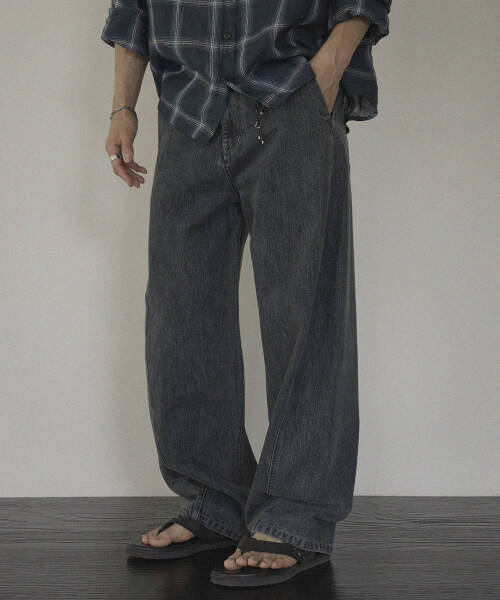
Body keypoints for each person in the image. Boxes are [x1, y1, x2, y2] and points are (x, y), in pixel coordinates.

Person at [101, 0, 391, 588]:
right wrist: (122, 107)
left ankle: (295, 516)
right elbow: (132, 8)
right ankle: (215, 501)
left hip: (290, 96)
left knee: (304, 317)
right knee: (180, 318)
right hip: (188, 110)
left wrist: (329, 68)